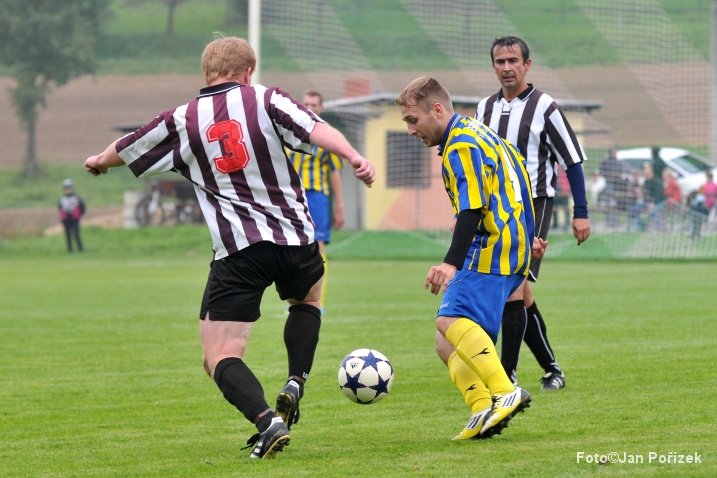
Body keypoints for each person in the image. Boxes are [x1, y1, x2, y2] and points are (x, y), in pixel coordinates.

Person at [84, 35, 375, 460]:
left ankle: (267, 422)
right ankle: (296, 380)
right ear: (248, 72)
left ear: (206, 73)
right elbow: (316, 128)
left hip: (239, 249)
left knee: (219, 355)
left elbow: (129, 146)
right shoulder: (266, 98)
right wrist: (352, 155)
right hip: (296, 237)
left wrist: (98, 160)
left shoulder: (182, 119)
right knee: (308, 300)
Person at [396, 76, 547, 440]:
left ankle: (505, 391)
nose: (411, 130)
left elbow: (473, 208)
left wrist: (450, 262)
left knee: (449, 319)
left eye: (413, 120)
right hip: (512, 245)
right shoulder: (479, 132)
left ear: (437, 109)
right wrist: (526, 235)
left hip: (491, 247)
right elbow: (518, 177)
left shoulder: (460, 144)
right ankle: (481, 408)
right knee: (445, 340)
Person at [475, 36, 591, 390]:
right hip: (496, 210)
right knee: (521, 294)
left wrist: (581, 211)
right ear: (493, 66)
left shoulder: (545, 107)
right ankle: (552, 369)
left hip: (534, 206)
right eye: (500, 62)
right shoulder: (484, 109)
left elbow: (572, 161)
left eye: (513, 61)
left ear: (527, 64)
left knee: (514, 286)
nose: (507, 68)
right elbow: (478, 164)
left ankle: (506, 376)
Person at [287, 90, 347, 312]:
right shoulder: (289, 132)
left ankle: (318, 301)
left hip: (317, 196)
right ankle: (295, 298)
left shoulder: (327, 135)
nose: (310, 107)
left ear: (321, 108)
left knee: (317, 247)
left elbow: (334, 172)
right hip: (292, 197)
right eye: (306, 104)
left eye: (314, 104)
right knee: (292, 247)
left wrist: (339, 206)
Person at [58, 178, 86, 252]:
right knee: (68, 235)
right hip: (66, 220)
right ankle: (70, 250)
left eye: (69, 188)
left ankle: (80, 248)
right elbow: (60, 209)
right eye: (66, 188)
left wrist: (79, 215)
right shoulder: (62, 199)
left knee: (76, 233)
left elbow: (82, 207)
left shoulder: (76, 198)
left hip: (75, 219)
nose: (68, 190)